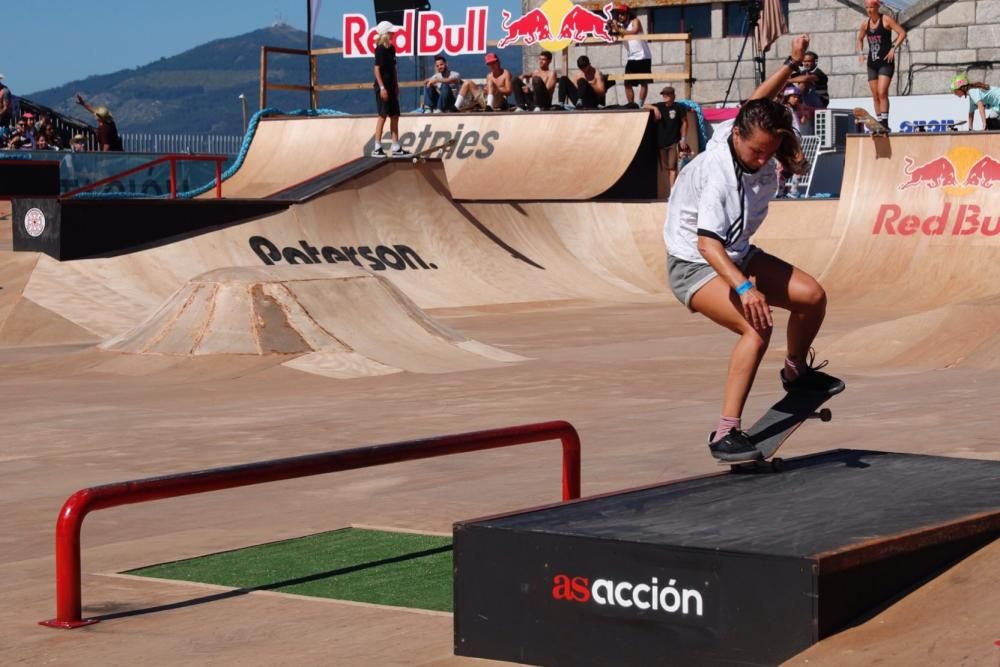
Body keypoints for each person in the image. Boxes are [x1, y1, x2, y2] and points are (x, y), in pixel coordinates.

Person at [663, 33, 845, 463]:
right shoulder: (720, 175)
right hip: (695, 265)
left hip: (739, 253)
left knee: (811, 297)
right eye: (756, 151)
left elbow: (761, 99)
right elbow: (707, 243)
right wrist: (745, 289)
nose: (762, 160)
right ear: (739, 136)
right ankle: (725, 432)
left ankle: (795, 372)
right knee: (756, 327)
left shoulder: (741, 125)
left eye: (770, 153)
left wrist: (790, 62)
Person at [857, 0, 906, 131]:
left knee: (882, 92)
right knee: (875, 95)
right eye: (867, 7)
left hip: (885, 61)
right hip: (872, 63)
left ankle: (885, 121)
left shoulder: (886, 20)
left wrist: (893, 48)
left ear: (877, 7)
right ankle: (878, 122)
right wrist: (861, 53)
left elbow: (902, 33)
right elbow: (860, 38)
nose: (869, 10)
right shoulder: (865, 23)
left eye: (871, 7)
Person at [643, 86, 689, 193]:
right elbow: (643, 105)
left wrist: (683, 138)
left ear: (673, 95)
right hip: (661, 143)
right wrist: (654, 108)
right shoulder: (660, 106)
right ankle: (673, 189)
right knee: (667, 168)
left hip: (674, 142)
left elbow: (685, 122)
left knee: (672, 167)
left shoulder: (679, 107)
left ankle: (673, 192)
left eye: (667, 94)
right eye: (663, 94)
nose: (665, 96)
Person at [615, 4, 652, 109]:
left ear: (628, 14)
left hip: (643, 55)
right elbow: (611, 33)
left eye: (622, 14)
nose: (620, 16)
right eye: (619, 14)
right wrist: (613, 26)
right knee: (627, 83)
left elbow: (634, 31)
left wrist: (619, 30)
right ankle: (631, 104)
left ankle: (640, 104)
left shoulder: (635, 21)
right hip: (631, 57)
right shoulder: (620, 26)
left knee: (643, 82)